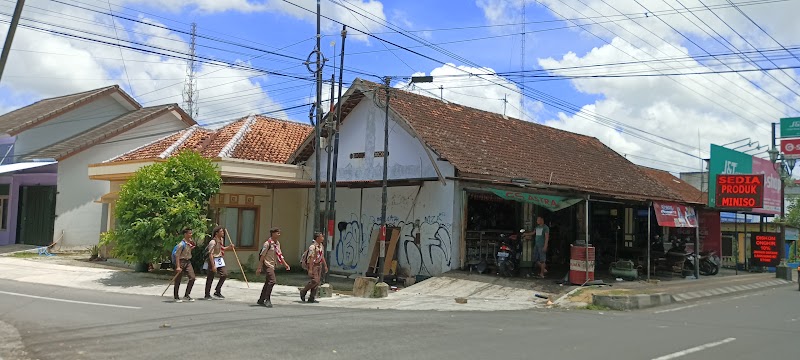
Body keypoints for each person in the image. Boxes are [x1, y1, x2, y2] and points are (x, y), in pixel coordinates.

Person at [255, 227, 290, 308]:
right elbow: (262, 256)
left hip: (272, 264)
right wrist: (259, 267)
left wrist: (285, 264)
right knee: (272, 281)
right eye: (277, 233)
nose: (279, 234)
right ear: (273, 233)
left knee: (268, 282)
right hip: (267, 264)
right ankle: (267, 299)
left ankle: (261, 299)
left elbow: (280, 255)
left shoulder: (277, 244)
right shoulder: (267, 244)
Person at [203, 226, 234, 300]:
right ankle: (207, 294)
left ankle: (217, 291)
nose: (223, 233)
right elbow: (210, 254)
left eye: (223, 231)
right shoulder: (212, 242)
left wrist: (229, 247)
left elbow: (221, 248)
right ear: (216, 233)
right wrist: (213, 266)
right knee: (210, 277)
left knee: (224, 274)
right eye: (221, 231)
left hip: (219, 259)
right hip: (213, 259)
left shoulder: (221, 240)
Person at [300, 232, 328, 303]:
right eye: (321, 237)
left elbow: (322, 256)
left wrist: (325, 265)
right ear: (317, 238)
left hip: (319, 264)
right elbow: (311, 258)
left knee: (317, 282)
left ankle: (312, 297)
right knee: (315, 280)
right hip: (314, 265)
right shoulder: (312, 247)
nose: (323, 238)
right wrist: (310, 269)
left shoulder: (321, 246)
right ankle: (303, 291)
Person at [174, 227, 197, 303]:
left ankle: (187, 294)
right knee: (178, 279)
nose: (191, 234)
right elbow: (177, 255)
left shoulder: (189, 243)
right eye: (189, 233)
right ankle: (176, 296)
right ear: (185, 234)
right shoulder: (181, 244)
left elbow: (193, 247)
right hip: (181, 261)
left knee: (192, 277)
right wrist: (178, 266)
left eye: (191, 233)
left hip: (188, 261)